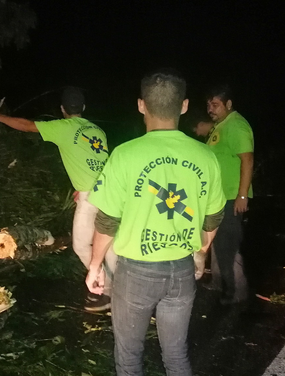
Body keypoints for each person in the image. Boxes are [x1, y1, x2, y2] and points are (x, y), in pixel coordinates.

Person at [85, 69, 225, 376]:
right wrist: (201, 249)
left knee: (129, 356)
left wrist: (95, 266)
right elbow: (214, 215)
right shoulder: (206, 156)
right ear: (185, 106)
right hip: (181, 270)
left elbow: (107, 220)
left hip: (136, 273)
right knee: (176, 355)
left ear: (141, 105)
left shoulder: (125, 155)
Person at [0, 87, 116, 312]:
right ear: (83, 108)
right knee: (109, 244)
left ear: (63, 110)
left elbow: (27, 125)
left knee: (82, 245)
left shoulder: (63, 127)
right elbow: (101, 161)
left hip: (92, 196)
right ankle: (119, 291)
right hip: (109, 190)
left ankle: (106, 291)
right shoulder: (97, 130)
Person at [205, 84, 254, 305]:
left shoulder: (236, 126)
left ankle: (236, 291)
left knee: (229, 245)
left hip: (231, 197)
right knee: (217, 242)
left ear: (229, 104)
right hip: (218, 196)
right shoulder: (222, 126)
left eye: (215, 104)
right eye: (208, 104)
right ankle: (219, 283)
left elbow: (247, 159)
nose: (210, 109)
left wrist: (242, 195)